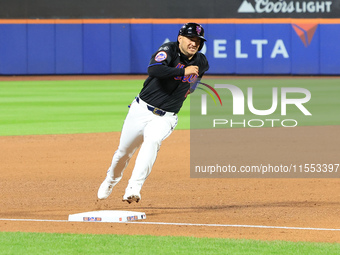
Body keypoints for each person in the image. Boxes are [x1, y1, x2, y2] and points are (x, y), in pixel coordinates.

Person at [97, 22, 209, 203]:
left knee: (153, 141)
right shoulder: (169, 49)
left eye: (198, 40)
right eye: (190, 39)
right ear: (180, 38)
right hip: (141, 109)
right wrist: (182, 71)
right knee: (124, 153)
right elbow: (154, 69)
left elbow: (195, 81)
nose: (194, 43)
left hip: (166, 117)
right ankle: (111, 180)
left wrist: (189, 88)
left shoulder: (201, 62)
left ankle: (134, 187)